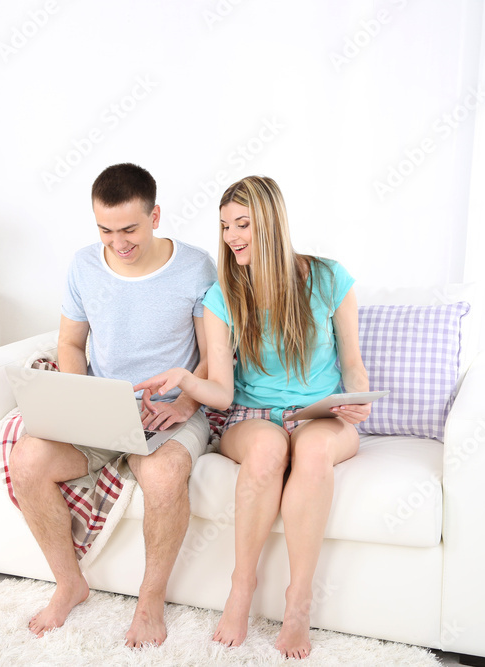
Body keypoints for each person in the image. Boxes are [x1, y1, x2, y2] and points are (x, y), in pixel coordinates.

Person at [135, 175, 372, 659]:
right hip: (251, 415)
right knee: (268, 449)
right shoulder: (222, 297)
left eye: (242, 224)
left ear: (271, 222)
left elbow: (352, 364)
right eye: (225, 226)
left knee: (310, 450)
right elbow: (221, 393)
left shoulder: (329, 278)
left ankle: (298, 601)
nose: (232, 237)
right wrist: (184, 377)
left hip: (322, 415)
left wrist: (360, 398)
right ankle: (241, 588)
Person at [8, 163, 217, 647]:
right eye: (105, 229)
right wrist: (77, 398)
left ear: (155, 216)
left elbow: (213, 356)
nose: (118, 242)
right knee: (27, 459)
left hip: (167, 410)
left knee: (164, 476)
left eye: (129, 229)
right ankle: (70, 583)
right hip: (100, 410)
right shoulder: (84, 265)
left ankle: (150, 600)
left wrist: (186, 401)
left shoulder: (196, 266)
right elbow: (70, 344)